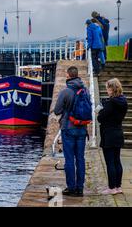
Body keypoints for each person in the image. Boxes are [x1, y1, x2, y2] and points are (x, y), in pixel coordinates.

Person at [53, 66, 89, 197]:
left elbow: (57, 110)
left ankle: (71, 188)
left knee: (69, 159)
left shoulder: (66, 91)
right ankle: (80, 188)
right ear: (77, 75)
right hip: (82, 130)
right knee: (80, 158)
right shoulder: (85, 90)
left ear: (68, 76)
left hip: (68, 129)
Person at [97, 78, 128, 195]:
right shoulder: (123, 101)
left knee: (110, 162)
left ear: (111, 88)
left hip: (109, 134)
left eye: (107, 88)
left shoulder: (111, 103)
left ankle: (111, 187)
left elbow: (100, 118)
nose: (107, 90)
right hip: (118, 132)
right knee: (117, 161)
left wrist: (100, 110)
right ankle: (118, 186)